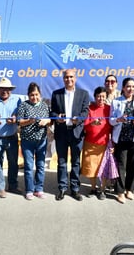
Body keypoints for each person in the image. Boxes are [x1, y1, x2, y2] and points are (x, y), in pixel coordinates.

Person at [50, 68, 89, 201]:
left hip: (76, 132)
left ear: (75, 78)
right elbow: (52, 112)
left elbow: (85, 112)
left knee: (76, 162)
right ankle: (62, 188)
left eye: (71, 77)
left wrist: (78, 118)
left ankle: (75, 189)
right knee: (61, 162)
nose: (69, 79)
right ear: (63, 79)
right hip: (61, 132)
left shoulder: (83, 94)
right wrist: (57, 117)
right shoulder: (56, 94)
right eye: (66, 77)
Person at [109, 78, 134, 203]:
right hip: (121, 138)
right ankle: (120, 192)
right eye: (128, 86)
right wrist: (118, 120)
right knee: (121, 165)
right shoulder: (116, 101)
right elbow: (110, 120)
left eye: (132, 86)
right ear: (123, 88)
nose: (130, 89)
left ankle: (129, 190)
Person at [17, 82, 51, 200]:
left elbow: (50, 120)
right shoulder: (23, 105)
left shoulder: (45, 106)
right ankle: (30, 190)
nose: (34, 97)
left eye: (36, 94)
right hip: (27, 141)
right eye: (32, 95)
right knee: (28, 166)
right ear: (28, 95)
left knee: (41, 165)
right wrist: (29, 121)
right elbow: (19, 122)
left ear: (40, 94)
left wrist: (46, 121)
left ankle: (39, 189)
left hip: (41, 140)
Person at [81, 87, 112, 200]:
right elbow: (84, 126)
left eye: (103, 96)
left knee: (103, 168)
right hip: (90, 142)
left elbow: (113, 127)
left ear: (106, 97)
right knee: (91, 167)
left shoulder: (109, 109)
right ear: (94, 97)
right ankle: (93, 188)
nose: (101, 98)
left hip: (104, 143)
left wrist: (112, 143)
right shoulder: (89, 109)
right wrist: (92, 124)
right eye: (99, 96)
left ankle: (102, 189)